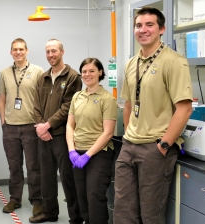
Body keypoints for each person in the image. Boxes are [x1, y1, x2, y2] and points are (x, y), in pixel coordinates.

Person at [114, 7, 193, 224]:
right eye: (139, 25)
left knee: (151, 213)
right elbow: (129, 104)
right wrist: (128, 135)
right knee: (123, 210)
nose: (143, 30)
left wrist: (164, 146)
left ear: (161, 29)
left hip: (155, 148)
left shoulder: (173, 61)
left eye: (150, 25)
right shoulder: (132, 63)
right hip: (129, 145)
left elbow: (184, 108)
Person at [30, 39, 83, 224]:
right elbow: (35, 105)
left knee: (68, 178)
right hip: (44, 136)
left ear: (62, 52)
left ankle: (76, 217)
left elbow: (69, 106)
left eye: (54, 51)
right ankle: (49, 213)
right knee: (47, 178)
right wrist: (40, 127)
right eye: (48, 52)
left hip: (62, 136)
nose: (51, 55)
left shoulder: (73, 77)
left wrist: (48, 124)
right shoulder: (42, 77)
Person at [0, 38, 44, 216]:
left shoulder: (37, 71)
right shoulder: (4, 73)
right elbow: (1, 99)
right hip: (10, 127)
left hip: (31, 126)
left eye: (21, 49)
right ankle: (15, 199)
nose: (18, 52)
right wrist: (3, 120)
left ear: (27, 51)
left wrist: (40, 122)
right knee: (14, 166)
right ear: (11, 52)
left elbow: (42, 98)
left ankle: (36, 200)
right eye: (15, 49)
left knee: (33, 166)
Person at [66, 58, 117, 224]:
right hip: (77, 152)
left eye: (92, 71)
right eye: (84, 71)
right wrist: (72, 150)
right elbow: (70, 126)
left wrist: (87, 155)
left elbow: (108, 133)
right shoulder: (77, 97)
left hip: (99, 154)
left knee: (94, 196)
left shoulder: (107, 99)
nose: (87, 74)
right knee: (81, 196)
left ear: (100, 72)